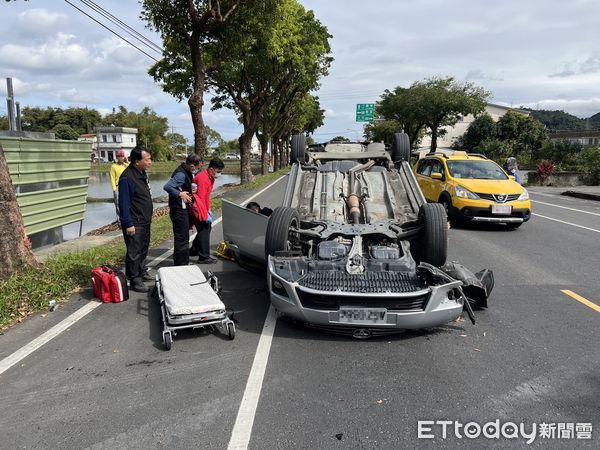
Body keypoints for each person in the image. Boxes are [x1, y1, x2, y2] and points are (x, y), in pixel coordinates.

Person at [118, 146, 153, 292]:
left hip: (144, 220)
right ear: (137, 161)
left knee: (143, 248)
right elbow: (124, 203)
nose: (150, 162)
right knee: (134, 251)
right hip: (135, 222)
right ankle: (134, 280)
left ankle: (141, 271)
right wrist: (128, 223)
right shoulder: (127, 177)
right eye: (147, 159)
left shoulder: (141, 173)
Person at [163, 154, 201, 266]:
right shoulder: (180, 174)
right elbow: (167, 186)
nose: (197, 170)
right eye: (197, 167)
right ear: (192, 165)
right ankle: (181, 264)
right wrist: (179, 194)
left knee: (184, 237)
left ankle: (183, 262)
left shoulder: (186, 171)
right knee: (182, 239)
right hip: (178, 210)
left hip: (182, 209)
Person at [190, 157, 224, 264]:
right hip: (198, 207)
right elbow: (199, 197)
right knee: (205, 229)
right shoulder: (203, 178)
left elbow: (207, 196)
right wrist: (204, 213)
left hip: (203, 206)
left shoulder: (210, 177)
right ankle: (204, 257)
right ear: (212, 169)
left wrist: (209, 209)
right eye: (218, 171)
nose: (219, 173)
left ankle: (194, 250)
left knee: (204, 229)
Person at [109, 149, 128, 222]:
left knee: (127, 203)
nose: (122, 158)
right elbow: (112, 177)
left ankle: (127, 218)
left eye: (123, 156)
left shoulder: (126, 165)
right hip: (118, 186)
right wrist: (114, 189)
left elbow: (132, 169)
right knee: (118, 203)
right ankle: (120, 220)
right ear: (117, 157)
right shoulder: (114, 166)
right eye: (120, 156)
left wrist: (126, 162)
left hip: (126, 186)